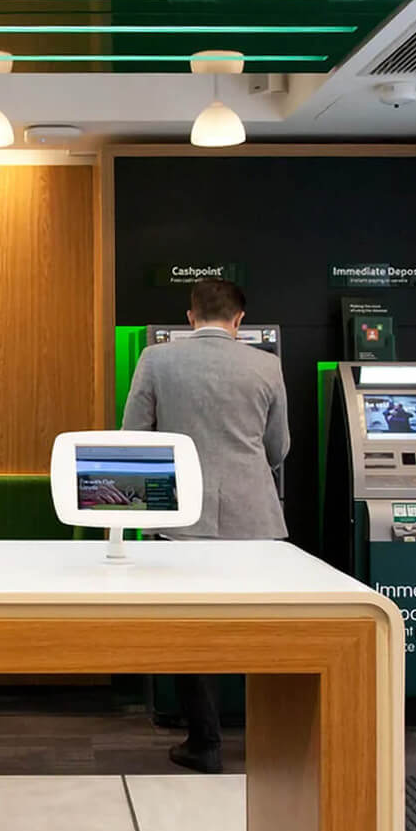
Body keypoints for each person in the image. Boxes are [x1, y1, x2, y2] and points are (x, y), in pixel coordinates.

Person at [121, 278, 289, 774]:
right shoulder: (268, 365)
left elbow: (135, 439)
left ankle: (205, 742)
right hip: (256, 517)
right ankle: (274, 740)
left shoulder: (157, 359)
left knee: (193, 630)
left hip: (180, 519)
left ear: (190, 317)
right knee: (260, 631)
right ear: (240, 321)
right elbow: (278, 448)